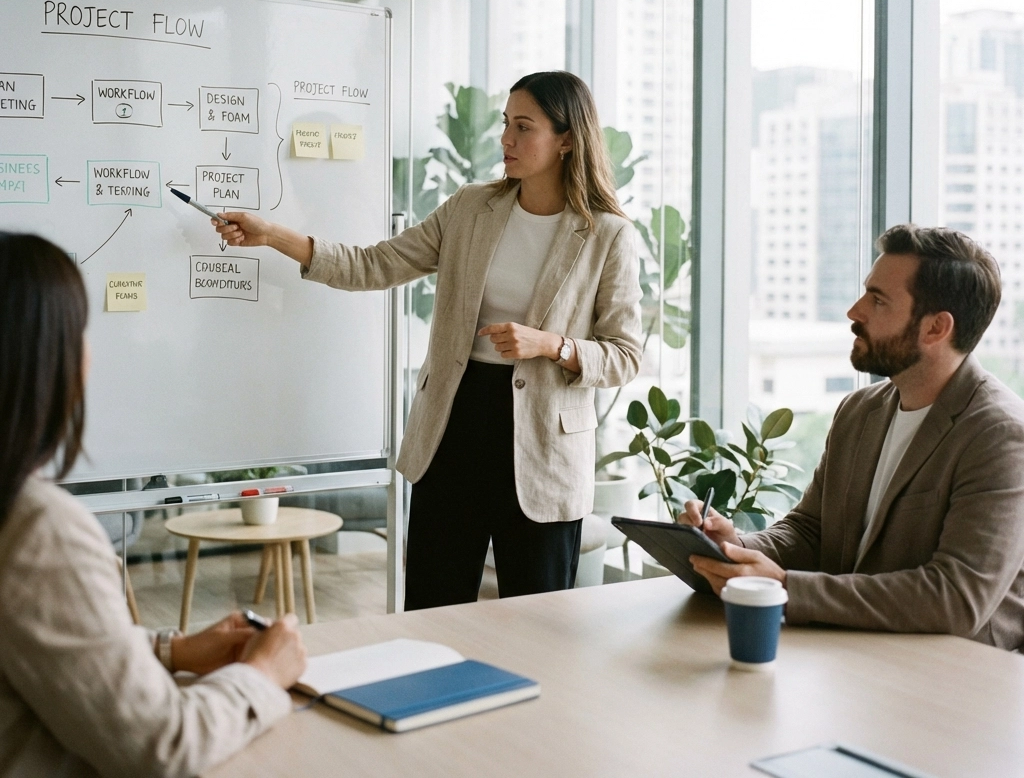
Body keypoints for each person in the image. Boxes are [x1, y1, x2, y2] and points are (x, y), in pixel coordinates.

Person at [215, 70, 643, 610]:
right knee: (433, 607)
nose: (505, 139)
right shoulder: (470, 208)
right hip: (454, 426)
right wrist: (272, 234)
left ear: (567, 140)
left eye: (523, 126)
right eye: (505, 124)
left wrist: (551, 345)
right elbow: (373, 264)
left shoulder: (608, 234)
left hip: (543, 449)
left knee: (540, 621)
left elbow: (625, 355)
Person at [0, 233, 307, 778]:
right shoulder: (35, 529)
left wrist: (172, 651)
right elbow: (164, 746)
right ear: (41, 360)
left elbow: (42, 646)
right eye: (80, 332)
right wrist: (261, 673)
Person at [684, 224, 1024, 650]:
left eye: (878, 300)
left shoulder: (1001, 435)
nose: (854, 311)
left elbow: (956, 599)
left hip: (957, 676)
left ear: (936, 328)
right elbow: (811, 532)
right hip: (857, 651)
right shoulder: (859, 411)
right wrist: (734, 548)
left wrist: (787, 588)